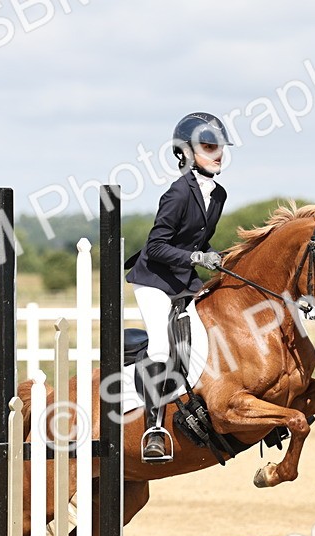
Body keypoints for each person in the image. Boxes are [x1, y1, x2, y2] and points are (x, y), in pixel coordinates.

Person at [125, 112, 232, 463]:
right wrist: (199, 256)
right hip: (154, 281)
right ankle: (154, 428)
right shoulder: (177, 194)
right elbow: (156, 246)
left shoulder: (218, 194)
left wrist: (215, 257)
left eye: (219, 147)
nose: (217, 154)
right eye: (208, 147)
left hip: (184, 280)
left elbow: (199, 239)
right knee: (159, 347)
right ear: (185, 153)